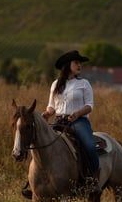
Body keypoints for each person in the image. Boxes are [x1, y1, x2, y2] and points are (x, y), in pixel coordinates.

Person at [41, 50, 101, 193]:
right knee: (41, 143)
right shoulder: (55, 84)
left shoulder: (84, 84)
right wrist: (47, 113)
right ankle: (35, 181)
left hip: (79, 122)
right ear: (68, 65)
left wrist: (77, 113)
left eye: (80, 63)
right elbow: (52, 106)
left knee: (90, 146)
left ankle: (93, 180)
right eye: (76, 62)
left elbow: (90, 106)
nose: (79, 65)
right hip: (59, 121)